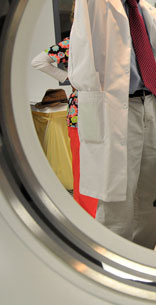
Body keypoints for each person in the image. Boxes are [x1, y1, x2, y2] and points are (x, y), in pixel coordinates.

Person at [68, 0, 156, 249]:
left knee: (153, 196)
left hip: (152, 108)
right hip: (116, 110)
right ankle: (114, 271)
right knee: (117, 200)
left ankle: (144, 265)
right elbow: (81, 67)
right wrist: (96, 120)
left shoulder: (147, 10)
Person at [31, 36, 99, 218]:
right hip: (91, 110)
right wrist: (70, 78)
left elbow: (39, 62)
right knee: (88, 168)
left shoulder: (76, 41)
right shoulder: (79, 41)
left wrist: (70, 78)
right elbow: (37, 61)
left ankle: (90, 215)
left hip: (85, 109)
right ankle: (89, 216)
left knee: (86, 168)